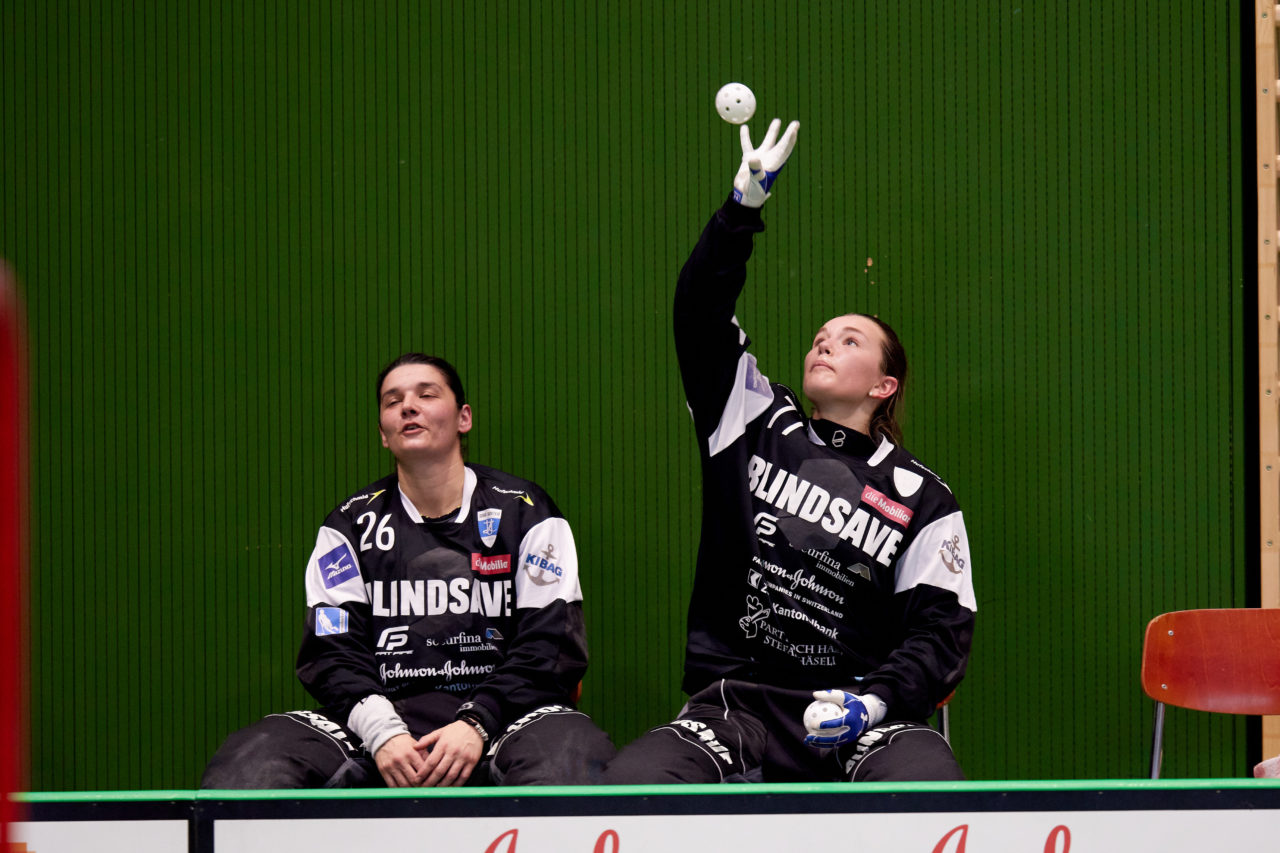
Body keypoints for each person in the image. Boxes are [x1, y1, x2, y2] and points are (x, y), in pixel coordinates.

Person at [603, 117, 976, 784]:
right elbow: (698, 315)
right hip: (734, 707)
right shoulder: (749, 419)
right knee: (635, 783)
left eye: (850, 339)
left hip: (863, 715)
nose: (824, 342)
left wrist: (874, 702)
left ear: (884, 385)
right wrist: (742, 206)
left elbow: (940, 634)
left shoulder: (925, 498)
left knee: (930, 782)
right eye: (820, 335)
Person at [202, 353, 614, 788]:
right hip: (383, 720)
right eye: (392, 401)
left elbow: (551, 644)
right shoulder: (347, 526)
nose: (408, 406)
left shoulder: (526, 511)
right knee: (253, 760)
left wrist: (477, 722)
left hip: (502, 717)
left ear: (464, 418)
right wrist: (383, 733)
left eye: (426, 394)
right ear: (383, 433)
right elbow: (331, 652)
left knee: (571, 757)